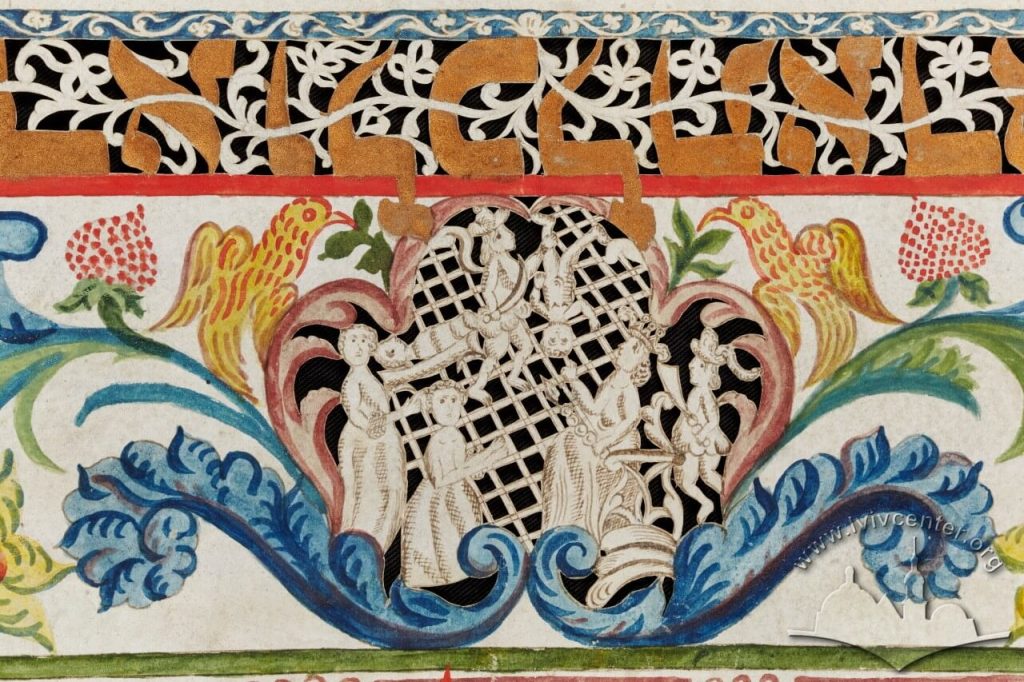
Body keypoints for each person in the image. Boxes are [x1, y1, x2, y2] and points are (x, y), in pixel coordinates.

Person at [541, 307, 669, 543]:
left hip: (614, 449)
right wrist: (574, 381)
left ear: (638, 356)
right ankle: (562, 514)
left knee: (574, 450)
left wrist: (606, 443)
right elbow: (594, 408)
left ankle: (579, 520)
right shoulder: (614, 379)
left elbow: (631, 420)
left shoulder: (628, 389)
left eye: (626, 346)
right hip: (599, 439)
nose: (619, 347)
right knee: (562, 444)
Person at [401, 380, 508, 588]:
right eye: (442, 401)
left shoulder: (453, 434)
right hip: (437, 502)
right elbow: (441, 479)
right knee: (445, 548)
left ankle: (463, 580)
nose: (449, 407)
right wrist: (486, 457)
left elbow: (459, 467)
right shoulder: (442, 438)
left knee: (460, 542)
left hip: (455, 495)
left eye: (453, 400)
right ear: (431, 408)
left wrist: (479, 461)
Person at [336, 324, 406, 553]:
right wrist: (376, 425)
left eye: (363, 342)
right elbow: (355, 412)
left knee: (386, 490)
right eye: (352, 341)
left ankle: (376, 544)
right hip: (364, 444)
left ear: (371, 348)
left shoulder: (368, 377)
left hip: (379, 442)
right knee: (363, 490)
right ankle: (358, 542)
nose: (358, 347)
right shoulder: (352, 381)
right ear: (342, 349)